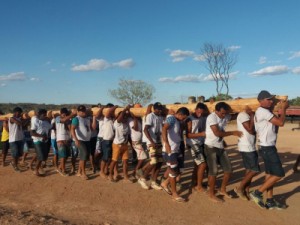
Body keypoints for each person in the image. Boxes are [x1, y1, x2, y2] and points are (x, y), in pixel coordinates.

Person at [250, 90, 289, 209]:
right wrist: (284, 109)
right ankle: (257, 193)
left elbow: (275, 125)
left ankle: (270, 200)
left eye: (272, 99)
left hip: (266, 146)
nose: (271, 101)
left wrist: (278, 110)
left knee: (270, 174)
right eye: (268, 99)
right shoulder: (262, 111)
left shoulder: (265, 112)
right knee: (279, 174)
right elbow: (281, 123)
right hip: (267, 147)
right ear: (261, 101)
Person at [204, 102, 242, 203]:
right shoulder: (211, 117)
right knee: (214, 171)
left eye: (226, 113)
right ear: (216, 111)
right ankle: (211, 194)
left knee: (228, 170)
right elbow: (217, 133)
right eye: (222, 113)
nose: (224, 115)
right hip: (211, 146)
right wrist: (233, 133)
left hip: (220, 146)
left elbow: (234, 115)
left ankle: (222, 189)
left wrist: (244, 109)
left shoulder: (226, 115)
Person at [161, 107, 190, 202]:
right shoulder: (172, 118)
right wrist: (167, 144)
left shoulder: (176, 120)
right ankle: (174, 194)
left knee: (179, 170)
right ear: (180, 114)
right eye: (184, 117)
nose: (184, 120)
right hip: (170, 151)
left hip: (176, 150)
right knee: (173, 173)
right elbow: (164, 129)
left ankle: (165, 183)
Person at [234, 106, 259, 200]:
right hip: (247, 146)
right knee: (255, 169)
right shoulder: (243, 115)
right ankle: (240, 188)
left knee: (249, 169)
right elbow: (250, 130)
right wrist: (252, 115)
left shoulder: (246, 115)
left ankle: (246, 190)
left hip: (249, 145)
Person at [138, 102, 164, 190]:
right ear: (154, 109)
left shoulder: (160, 117)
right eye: (158, 109)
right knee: (154, 161)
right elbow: (145, 130)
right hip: (151, 142)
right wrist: (151, 141)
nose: (159, 111)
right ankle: (143, 178)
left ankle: (153, 181)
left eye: (161, 109)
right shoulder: (150, 116)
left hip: (158, 142)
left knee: (160, 162)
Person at [186, 102, 209, 193]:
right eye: (198, 112)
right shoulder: (190, 119)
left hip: (200, 143)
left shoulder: (203, 117)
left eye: (202, 112)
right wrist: (201, 134)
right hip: (193, 144)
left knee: (197, 165)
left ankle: (194, 183)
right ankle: (199, 186)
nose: (200, 114)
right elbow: (187, 135)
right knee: (202, 164)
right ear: (195, 110)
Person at [109, 105, 132, 182]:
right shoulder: (117, 123)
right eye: (123, 116)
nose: (125, 118)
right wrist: (125, 109)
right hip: (117, 145)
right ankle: (110, 175)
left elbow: (128, 135)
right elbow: (120, 116)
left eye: (125, 117)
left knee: (125, 161)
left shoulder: (126, 124)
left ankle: (126, 176)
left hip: (125, 145)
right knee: (114, 161)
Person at [71, 105, 92, 180]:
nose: (83, 112)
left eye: (84, 111)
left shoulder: (87, 119)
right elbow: (72, 129)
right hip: (80, 140)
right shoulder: (76, 119)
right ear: (78, 112)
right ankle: (83, 173)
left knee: (85, 157)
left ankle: (79, 172)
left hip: (87, 140)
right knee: (84, 154)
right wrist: (76, 140)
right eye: (81, 111)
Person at [30, 109, 52, 176]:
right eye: (44, 115)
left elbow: (51, 127)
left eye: (45, 115)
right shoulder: (35, 120)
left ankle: (34, 165)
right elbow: (32, 133)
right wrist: (42, 136)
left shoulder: (45, 122)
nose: (45, 116)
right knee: (41, 156)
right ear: (39, 115)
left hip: (44, 141)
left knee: (42, 156)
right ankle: (36, 170)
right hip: (37, 141)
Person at [128, 105, 148, 179]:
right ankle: (135, 172)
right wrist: (135, 118)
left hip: (140, 141)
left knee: (141, 158)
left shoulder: (138, 119)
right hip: (136, 142)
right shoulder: (130, 120)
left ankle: (138, 172)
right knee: (142, 158)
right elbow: (135, 128)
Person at [99, 104, 118, 179]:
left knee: (110, 157)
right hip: (106, 140)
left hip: (112, 140)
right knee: (105, 157)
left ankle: (107, 170)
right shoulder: (106, 118)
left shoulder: (113, 119)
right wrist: (115, 107)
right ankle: (101, 172)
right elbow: (108, 112)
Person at [55, 108, 75, 176]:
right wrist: (71, 115)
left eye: (65, 114)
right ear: (60, 113)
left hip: (67, 140)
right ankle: (63, 170)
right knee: (63, 156)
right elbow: (63, 120)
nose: (64, 115)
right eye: (63, 113)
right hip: (60, 140)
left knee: (66, 156)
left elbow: (70, 128)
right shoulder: (57, 118)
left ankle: (60, 168)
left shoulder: (68, 120)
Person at [8, 107, 27, 172]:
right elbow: (19, 123)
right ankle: (16, 166)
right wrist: (26, 119)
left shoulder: (20, 118)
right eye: (20, 112)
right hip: (13, 139)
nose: (20, 114)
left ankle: (14, 163)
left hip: (19, 139)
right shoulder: (11, 118)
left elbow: (24, 126)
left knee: (19, 154)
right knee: (15, 154)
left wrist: (27, 120)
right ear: (16, 112)